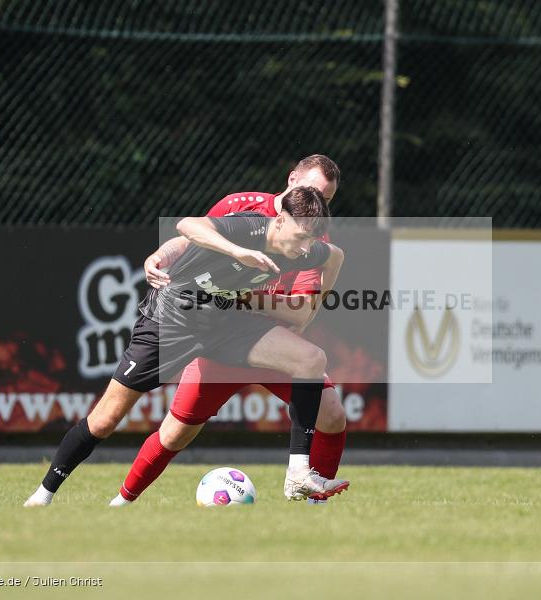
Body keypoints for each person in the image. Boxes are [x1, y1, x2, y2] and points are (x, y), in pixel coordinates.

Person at [25, 186, 348, 506]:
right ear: (279, 220)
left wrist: (316, 303)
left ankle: (298, 472)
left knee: (310, 359)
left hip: (226, 323)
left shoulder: (300, 249)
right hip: (171, 322)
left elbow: (335, 257)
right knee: (105, 420)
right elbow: (187, 226)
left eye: (309, 239)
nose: (304, 246)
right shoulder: (248, 226)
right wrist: (237, 252)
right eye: (300, 236)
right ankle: (43, 495)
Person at [112, 156, 348, 506]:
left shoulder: (311, 243)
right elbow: (195, 240)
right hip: (220, 340)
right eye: (310, 190)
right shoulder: (242, 206)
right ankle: (121, 502)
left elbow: (300, 316)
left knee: (332, 415)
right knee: (175, 433)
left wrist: (241, 297)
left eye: (324, 199)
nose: (315, 202)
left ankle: (315, 505)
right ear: (292, 179)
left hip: (270, 344)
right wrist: (159, 255)